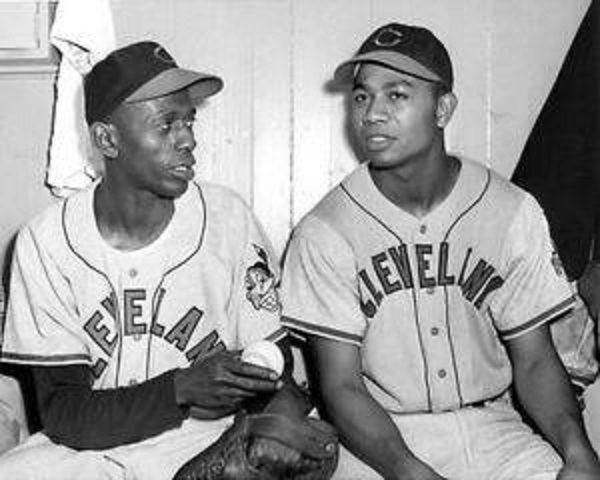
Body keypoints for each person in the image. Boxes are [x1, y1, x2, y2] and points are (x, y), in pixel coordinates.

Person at [281, 22, 600, 479]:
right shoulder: (325, 230)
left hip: (494, 429)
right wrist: (408, 469)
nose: (372, 113)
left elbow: (534, 359)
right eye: (362, 96)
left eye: (397, 94)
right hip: (377, 440)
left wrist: (578, 451)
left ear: (443, 108)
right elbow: (341, 386)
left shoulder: (510, 211)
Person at [0, 41, 304, 479]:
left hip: (210, 440)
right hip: (86, 452)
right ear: (108, 139)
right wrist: (181, 388)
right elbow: (65, 414)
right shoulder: (45, 243)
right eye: (166, 124)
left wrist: (270, 398)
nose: (188, 139)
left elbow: (274, 359)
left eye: (189, 120)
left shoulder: (227, 219)